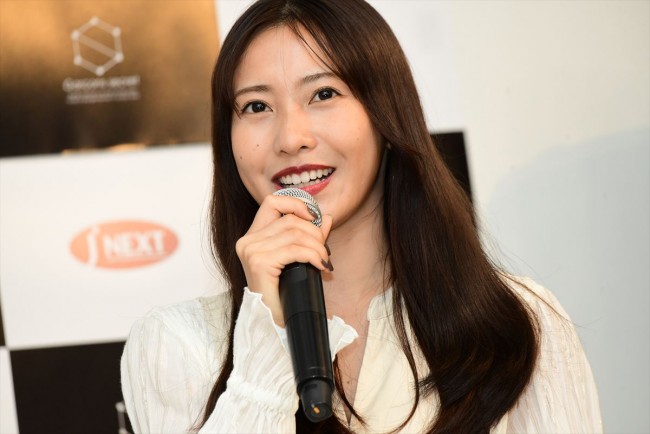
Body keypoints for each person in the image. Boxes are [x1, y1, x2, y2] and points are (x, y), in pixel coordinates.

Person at [120, 0, 602, 432]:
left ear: (386, 113)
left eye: (323, 94)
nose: (291, 138)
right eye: (257, 105)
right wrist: (265, 341)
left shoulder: (518, 322)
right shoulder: (175, 347)